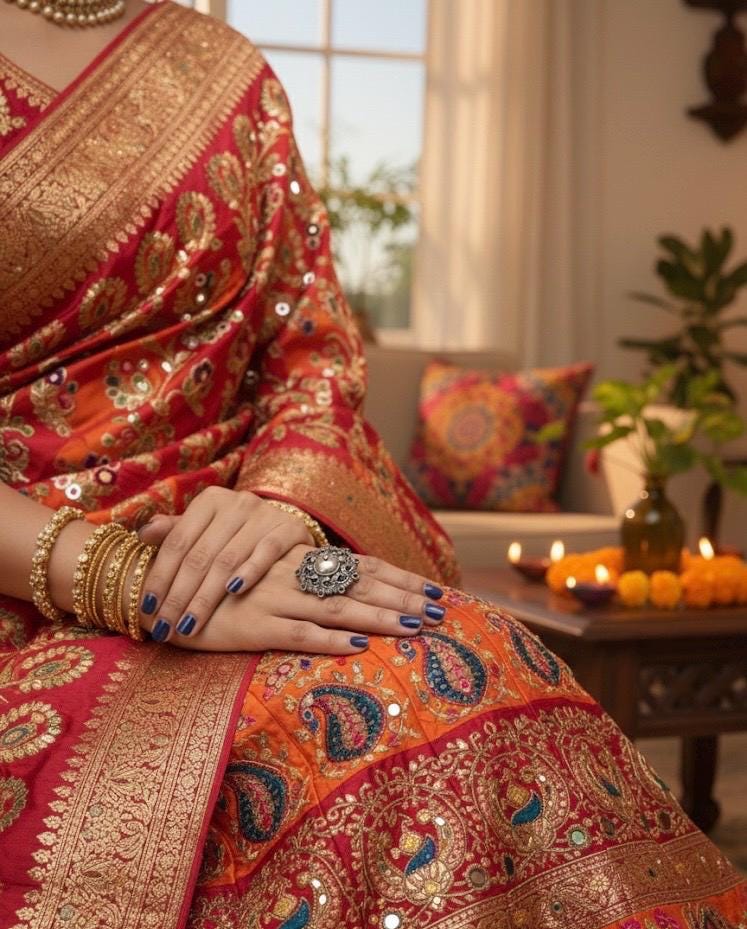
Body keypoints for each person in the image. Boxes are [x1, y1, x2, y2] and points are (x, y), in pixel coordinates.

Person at [0, 1, 744, 927]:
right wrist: (132, 577)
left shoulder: (226, 75)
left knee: (478, 668)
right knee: (336, 748)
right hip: (39, 583)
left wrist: (281, 510)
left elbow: (310, 352)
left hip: (244, 558)